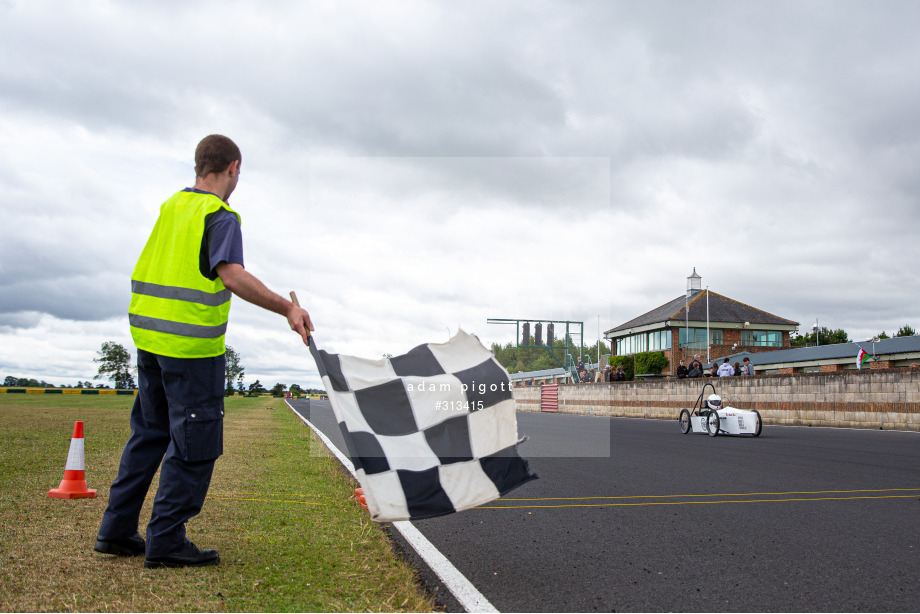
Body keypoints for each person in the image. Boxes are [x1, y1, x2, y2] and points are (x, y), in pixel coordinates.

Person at [94, 135, 314, 569]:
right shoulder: (220, 215)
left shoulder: (172, 206)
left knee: (150, 434)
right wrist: (288, 308)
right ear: (233, 167)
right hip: (191, 348)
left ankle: (116, 531)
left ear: (199, 166)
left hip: (149, 341)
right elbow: (230, 274)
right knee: (195, 442)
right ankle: (167, 539)